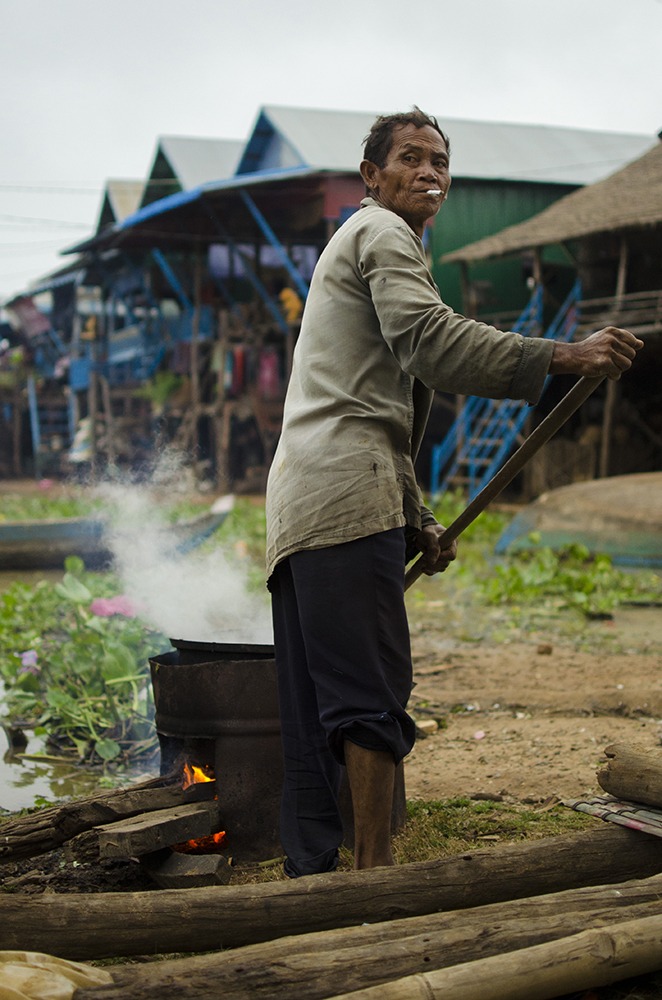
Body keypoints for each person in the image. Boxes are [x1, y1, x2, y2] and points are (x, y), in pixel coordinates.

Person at [265, 107, 643, 877]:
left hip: (306, 502)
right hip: (345, 496)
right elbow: (431, 342)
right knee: (369, 693)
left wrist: (417, 522)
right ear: (371, 175)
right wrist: (563, 354)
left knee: (315, 704)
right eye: (411, 157)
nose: (430, 172)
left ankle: (312, 879)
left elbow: (373, 410)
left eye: (440, 161)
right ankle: (373, 877)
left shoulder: (361, 242)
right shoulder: (382, 233)